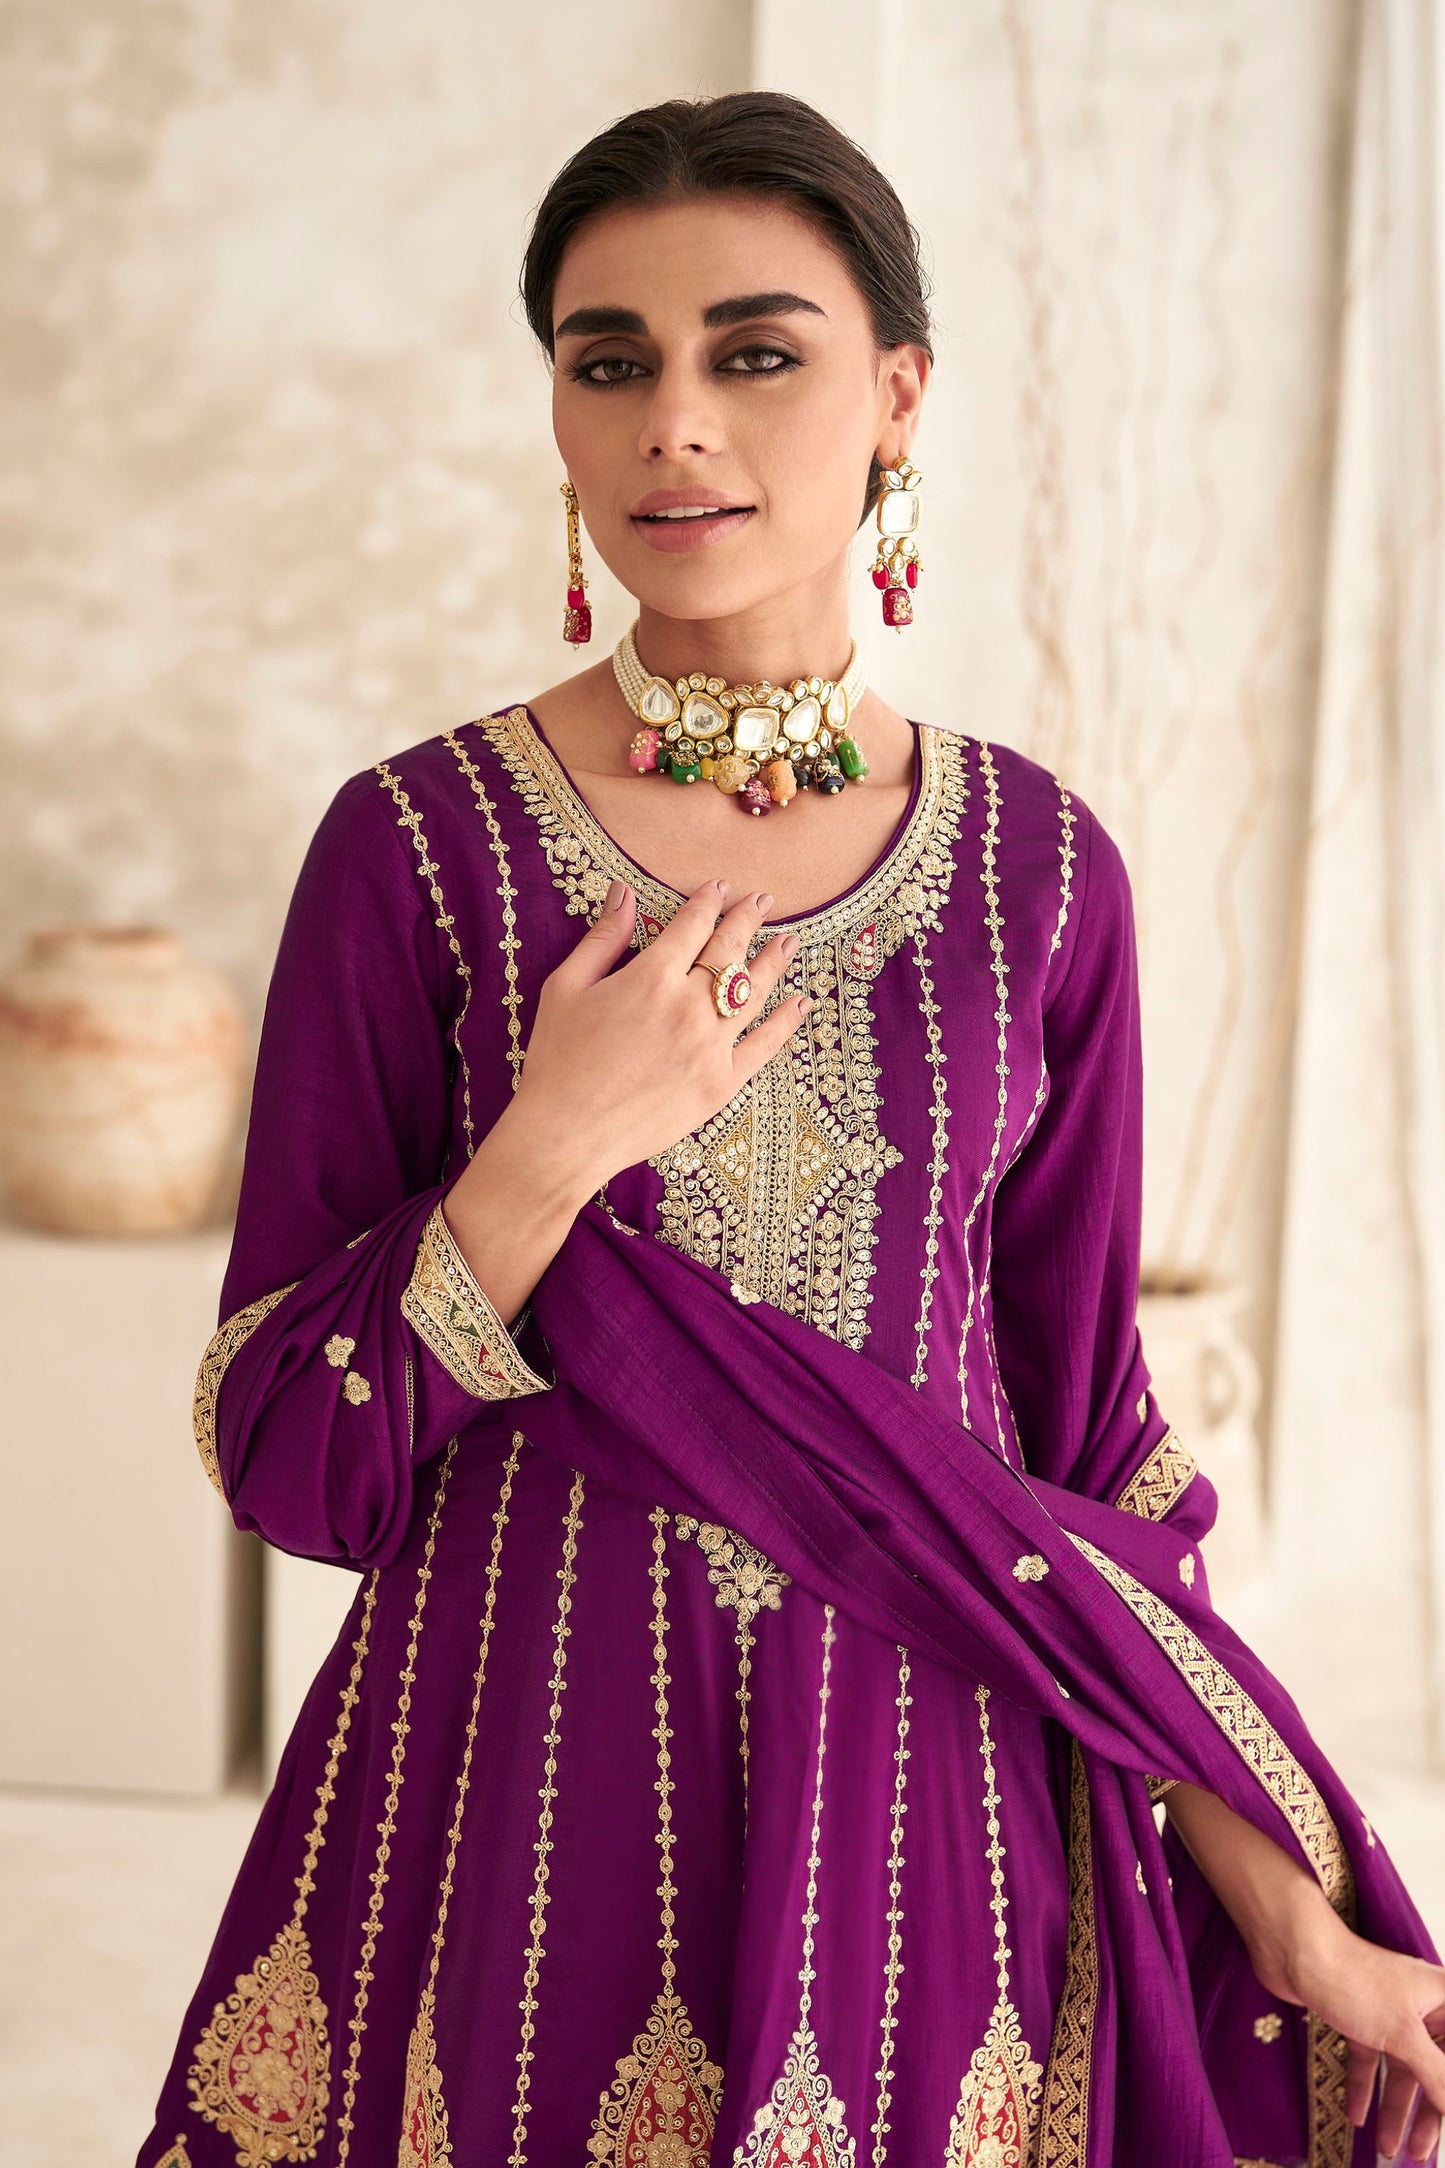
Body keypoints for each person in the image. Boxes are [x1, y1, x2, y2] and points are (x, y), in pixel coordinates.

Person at [137, 91, 1444, 2168]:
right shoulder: (418, 849)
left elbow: (1086, 1470)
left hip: (927, 1826)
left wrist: (1283, 1906)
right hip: (524, 1803)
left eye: (755, 352)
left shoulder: (1037, 874)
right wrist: (549, 1148)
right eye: (610, 361)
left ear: (899, 392)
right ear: (556, 412)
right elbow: (287, 1439)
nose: (676, 423)